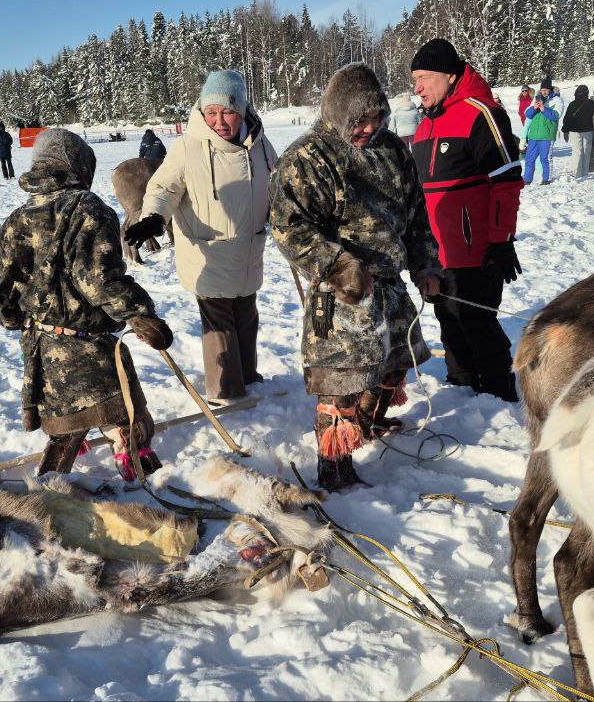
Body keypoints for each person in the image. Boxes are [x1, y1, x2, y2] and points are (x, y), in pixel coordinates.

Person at [269, 62, 441, 492]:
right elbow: (289, 227)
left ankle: (367, 426)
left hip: (389, 284)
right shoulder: (308, 158)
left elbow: (416, 214)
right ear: (339, 113)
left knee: (391, 366)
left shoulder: (392, 150)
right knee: (343, 382)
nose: (369, 128)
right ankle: (334, 467)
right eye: (360, 120)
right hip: (342, 292)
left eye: (376, 117)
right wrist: (337, 264)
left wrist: (426, 265)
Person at [0, 128, 174, 481]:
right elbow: (99, 279)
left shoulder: (21, 216)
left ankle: (53, 483)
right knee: (126, 418)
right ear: (80, 166)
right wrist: (140, 315)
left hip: (41, 349)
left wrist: (3, 314)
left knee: (65, 425)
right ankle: (142, 477)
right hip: (87, 346)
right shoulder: (88, 209)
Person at [126, 69, 275, 406]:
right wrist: (154, 218)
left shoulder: (262, 145)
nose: (219, 121)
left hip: (249, 252)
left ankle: (247, 377)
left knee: (246, 318)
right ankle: (226, 391)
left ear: (242, 111)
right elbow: (164, 189)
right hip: (208, 255)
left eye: (228, 112)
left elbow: (275, 186)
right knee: (220, 325)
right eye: (211, 112)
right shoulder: (188, 147)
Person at [409, 38, 523, 401]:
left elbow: (506, 180)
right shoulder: (425, 125)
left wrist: (501, 239)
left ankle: (498, 392)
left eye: (424, 77)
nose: (418, 87)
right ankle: (462, 389)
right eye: (415, 79)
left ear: (449, 75)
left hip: (476, 250)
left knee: (477, 322)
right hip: (438, 252)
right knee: (449, 321)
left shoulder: (480, 113)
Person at [523, 78, 561, 185]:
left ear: (550, 90)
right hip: (534, 135)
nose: (543, 92)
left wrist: (544, 109)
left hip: (547, 135)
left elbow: (556, 116)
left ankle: (546, 179)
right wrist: (534, 108)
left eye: (546, 90)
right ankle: (526, 179)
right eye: (542, 89)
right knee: (529, 159)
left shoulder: (556, 100)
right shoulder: (536, 99)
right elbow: (527, 114)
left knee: (545, 159)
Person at [561, 84, 594, 179]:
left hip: (574, 131)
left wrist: (565, 130)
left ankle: (577, 173)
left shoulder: (572, 104)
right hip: (588, 130)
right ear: (587, 93)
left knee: (577, 152)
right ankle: (585, 172)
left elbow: (567, 118)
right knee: (586, 152)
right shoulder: (591, 103)